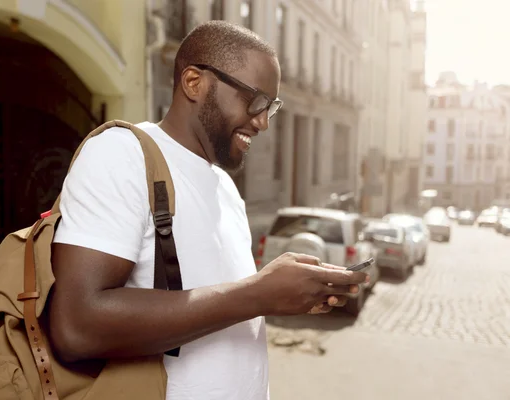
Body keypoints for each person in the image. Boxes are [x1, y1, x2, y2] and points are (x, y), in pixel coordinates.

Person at [48, 20, 367, 400]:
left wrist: (282, 294)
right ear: (194, 82)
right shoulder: (122, 153)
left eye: (271, 106)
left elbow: (219, 306)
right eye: (255, 100)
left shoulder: (227, 189)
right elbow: (77, 326)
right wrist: (258, 294)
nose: (263, 122)